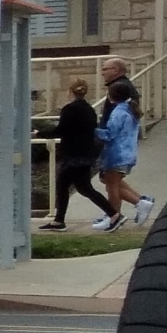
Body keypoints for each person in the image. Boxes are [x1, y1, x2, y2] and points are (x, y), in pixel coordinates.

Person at [45, 77, 112, 229]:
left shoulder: (69, 109)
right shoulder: (89, 109)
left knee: (83, 188)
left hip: (73, 155)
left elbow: (61, 130)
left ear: (70, 91)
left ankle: (114, 214)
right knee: (66, 185)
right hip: (86, 154)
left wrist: (39, 134)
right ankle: (58, 220)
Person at [95, 63, 154, 229]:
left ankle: (119, 213)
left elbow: (110, 133)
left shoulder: (119, 113)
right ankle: (133, 205)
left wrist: (92, 130)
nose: (103, 72)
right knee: (111, 182)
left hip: (116, 153)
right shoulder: (129, 110)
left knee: (111, 185)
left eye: (106, 69)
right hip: (127, 153)